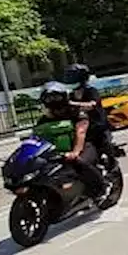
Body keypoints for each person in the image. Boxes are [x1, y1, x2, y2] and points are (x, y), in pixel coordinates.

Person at [42, 72, 110, 204]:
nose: (53, 103)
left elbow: (81, 132)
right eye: (49, 99)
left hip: (87, 141)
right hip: (61, 148)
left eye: (55, 98)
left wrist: (76, 152)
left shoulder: (78, 108)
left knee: (79, 161)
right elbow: (38, 133)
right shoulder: (47, 116)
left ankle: (100, 189)